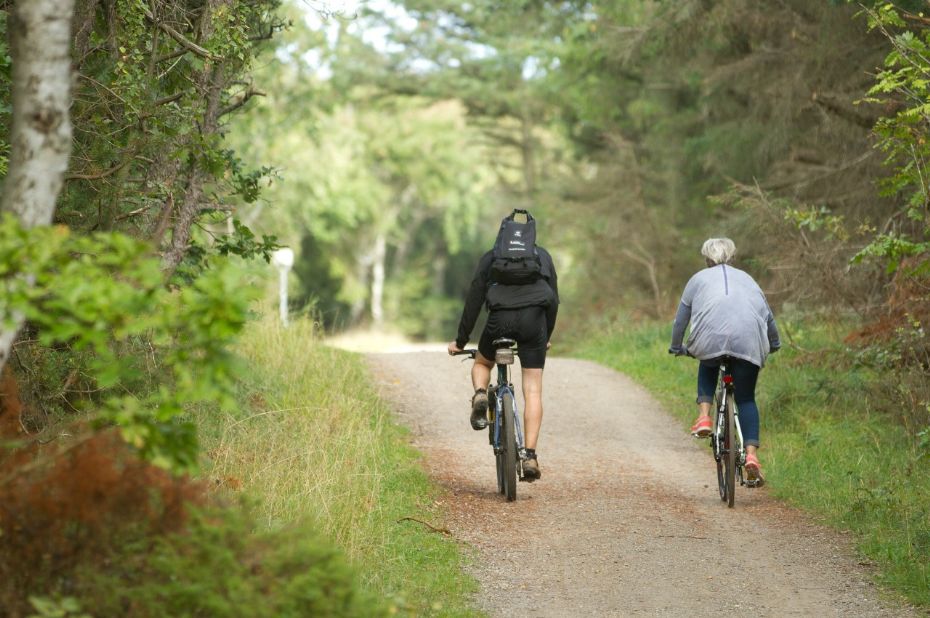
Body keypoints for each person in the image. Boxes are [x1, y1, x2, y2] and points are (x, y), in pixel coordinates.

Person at [447, 209, 559, 482]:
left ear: (503, 235)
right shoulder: (541, 257)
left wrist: (461, 340)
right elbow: (553, 300)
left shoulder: (491, 258)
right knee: (532, 389)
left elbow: (474, 299)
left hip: (499, 322)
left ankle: (481, 393)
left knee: (483, 361)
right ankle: (530, 455)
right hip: (535, 323)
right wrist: (545, 336)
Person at [668, 237, 780, 486]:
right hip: (749, 342)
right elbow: (768, 317)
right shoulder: (749, 280)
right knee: (746, 398)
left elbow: (680, 320)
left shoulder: (697, 279)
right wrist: (775, 343)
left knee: (707, 361)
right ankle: (751, 456)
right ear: (732, 257)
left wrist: (677, 346)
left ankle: (705, 416)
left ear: (707, 259)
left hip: (710, 342)